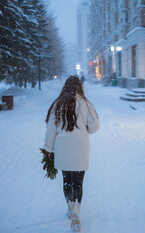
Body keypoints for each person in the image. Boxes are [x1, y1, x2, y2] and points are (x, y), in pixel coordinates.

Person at [42, 75, 99, 232]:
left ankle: (70, 207)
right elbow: (94, 126)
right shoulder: (86, 104)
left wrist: (48, 149)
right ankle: (76, 211)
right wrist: (82, 130)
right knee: (78, 181)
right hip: (81, 146)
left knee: (67, 179)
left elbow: (51, 130)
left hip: (63, 147)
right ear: (80, 87)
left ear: (65, 87)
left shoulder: (58, 104)